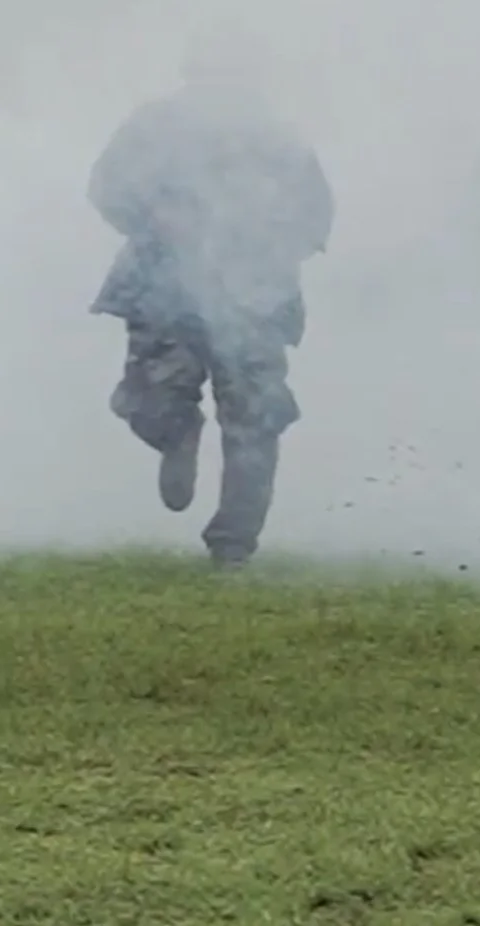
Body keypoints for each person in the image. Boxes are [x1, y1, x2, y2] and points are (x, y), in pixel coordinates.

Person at [89, 28, 332, 568]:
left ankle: (233, 543)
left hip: (255, 299)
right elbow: (107, 188)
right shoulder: (152, 128)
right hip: (162, 290)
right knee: (149, 399)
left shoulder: (280, 138)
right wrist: (158, 222)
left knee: (255, 416)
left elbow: (314, 213)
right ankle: (177, 436)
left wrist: (270, 247)